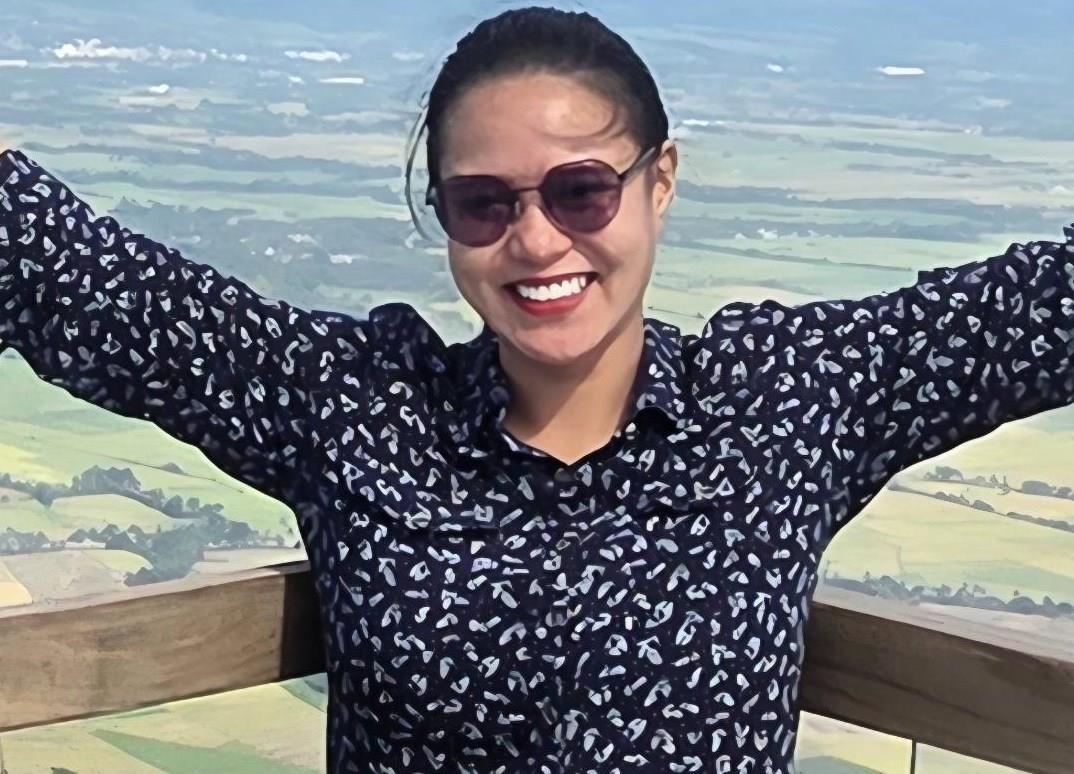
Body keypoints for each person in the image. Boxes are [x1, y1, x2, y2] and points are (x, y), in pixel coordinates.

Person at [1, 6, 1072, 773]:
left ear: (659, 181)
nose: (537, 240)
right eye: (484, 203)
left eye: (581, 190)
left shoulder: (782, 404)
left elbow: (1042, 310)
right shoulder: (361, 412)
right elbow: (78, 282)